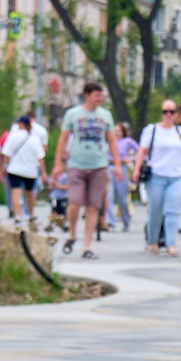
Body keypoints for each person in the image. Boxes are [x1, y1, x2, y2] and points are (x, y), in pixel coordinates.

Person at [56, 82, 117, 257]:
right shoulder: (73, 114)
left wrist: (117, 165)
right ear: (87, 95)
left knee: (93, 206)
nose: (100, 98)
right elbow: (63, 139)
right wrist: (59, 164)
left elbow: (111, 140)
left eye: (101, 95)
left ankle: (87, 245)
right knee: (74, 202)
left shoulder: (105, 115)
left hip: (99, 165)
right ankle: (72, 234)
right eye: (97, 95)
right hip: (77, 165)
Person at [138, 99, 181, 254]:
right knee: (155, 210)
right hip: (156, 175)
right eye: (165, 112)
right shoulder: (152, 130)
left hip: (177, 176)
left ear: (177, 113)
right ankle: (152, 241)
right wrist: (136, 171)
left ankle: (171, 243)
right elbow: (142, 151)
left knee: (173, 210)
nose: (168, 115)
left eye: (172, 112)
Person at [0, 114, 45, 227]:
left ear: (21, 124)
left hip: (14, 169)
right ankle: (30, 214)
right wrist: (43, 172)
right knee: (30, 194)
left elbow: (6, 153)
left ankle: (17, 216)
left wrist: (5, 165)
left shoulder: (13, 136)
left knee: (15, 192)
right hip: (30, 171)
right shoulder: (35, 139)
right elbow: (40, 157)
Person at [108, 123, 138, 232]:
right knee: (108, 196)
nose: (116, 133)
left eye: (118, 131)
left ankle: (126, 220)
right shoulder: (108, 141)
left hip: (122, 169)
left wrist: (131, 159)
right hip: (109, 167)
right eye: (114, 131)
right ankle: (110, 222)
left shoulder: (127, 141)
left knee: (122, 198)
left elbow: (139, 150)